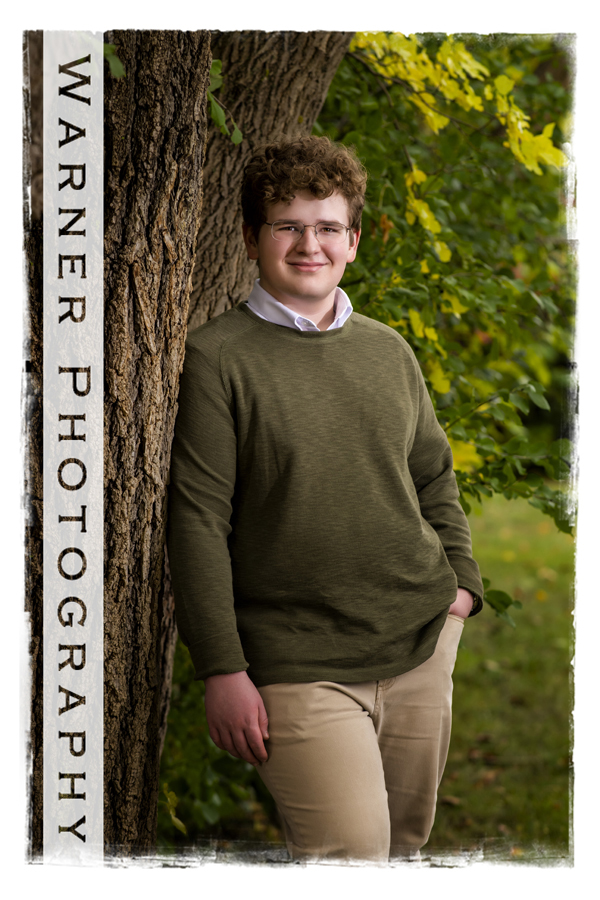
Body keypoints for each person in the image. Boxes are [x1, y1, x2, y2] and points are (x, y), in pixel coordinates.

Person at [167, 135, 484, 863]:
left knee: (404, 849)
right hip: (295, 659)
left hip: (419, 639)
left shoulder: (388, 350)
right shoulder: (217, 358)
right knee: (349, 856)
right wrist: (222, 666)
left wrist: (461, 588)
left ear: (353, 241)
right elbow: (198, 519)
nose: (310, 244)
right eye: (287, 226)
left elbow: (433, 475)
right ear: (252, 239)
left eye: (328, 226)